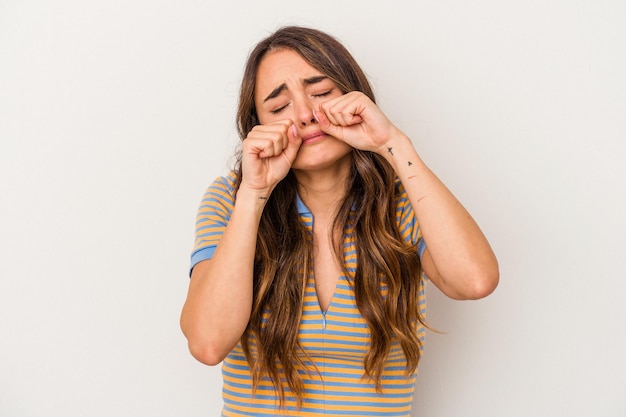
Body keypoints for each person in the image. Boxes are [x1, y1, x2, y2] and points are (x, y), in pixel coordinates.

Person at [180, 25, 499, 416]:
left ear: (355, 97)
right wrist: (254, 192)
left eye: (321, 93)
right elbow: (208, 343)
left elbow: (475, 281)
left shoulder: (404, 201)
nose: (303, 114)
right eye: (279, 108)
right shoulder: (230, 200)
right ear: (257, 126)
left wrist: (393, 145)